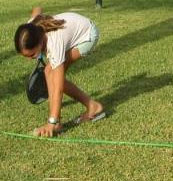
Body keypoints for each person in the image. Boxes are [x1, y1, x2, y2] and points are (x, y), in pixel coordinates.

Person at [14, 8, 106, 137]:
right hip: (79, 29)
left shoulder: (54, 42)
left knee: (54, 75)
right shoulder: (31, 28)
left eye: (32, 54)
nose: (31, 59)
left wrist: (51, 122)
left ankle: (92, 107)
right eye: (26, 56)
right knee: (49, 71)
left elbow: (58, 88)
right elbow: (37, 9)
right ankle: (57, 118)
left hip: (88, 35)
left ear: (40, 42)